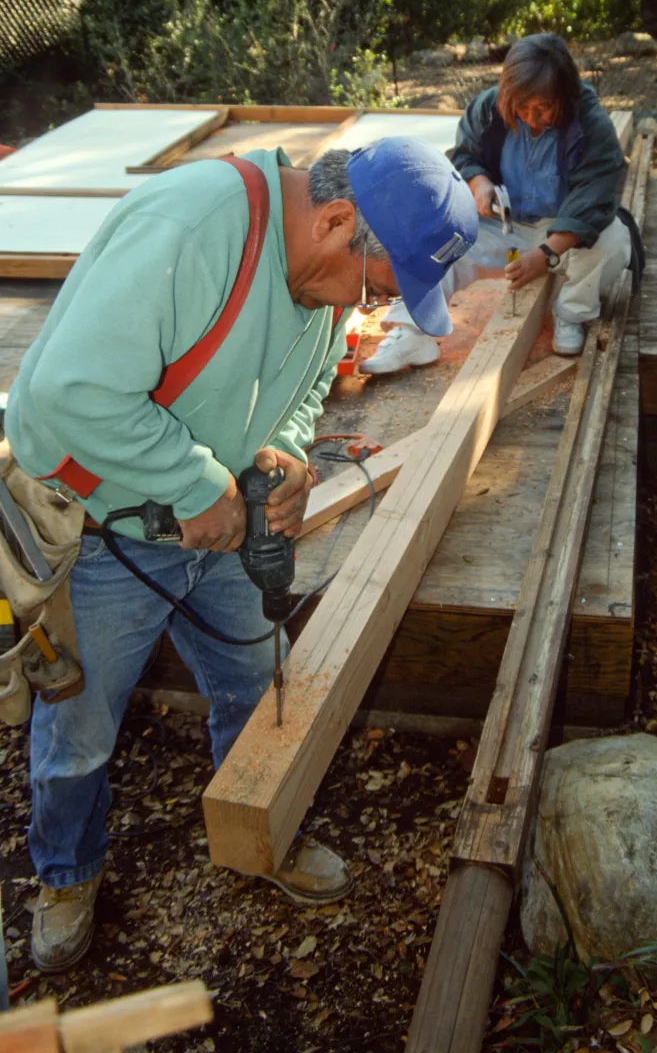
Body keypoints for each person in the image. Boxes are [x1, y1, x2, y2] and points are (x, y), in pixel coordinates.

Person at [4, 136, 477, 973]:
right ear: (336, 221)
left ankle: (264, 821)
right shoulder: (192, 228)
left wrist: (286, 459)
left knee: (260, 688)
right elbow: (68, 392)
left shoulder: (323, 276)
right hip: (104, 531)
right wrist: (202, 490)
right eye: (375, 288)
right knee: (77, 731)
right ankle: (67, 873)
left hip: (218, 523)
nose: (369, 310)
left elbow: (305, 388)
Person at [361, 33, 634, 374]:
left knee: (615, 239)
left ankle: (570, 314)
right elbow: (463, 155)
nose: (532, 117)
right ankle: (413, 331)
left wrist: (546, 254)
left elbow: (593, 197)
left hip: (564, 237)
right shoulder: (489, 109)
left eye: (544, 107)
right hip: (504, 227)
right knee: (432, 231)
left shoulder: (591, 124)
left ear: (565, 95)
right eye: (522, 107)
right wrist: (479, 182)